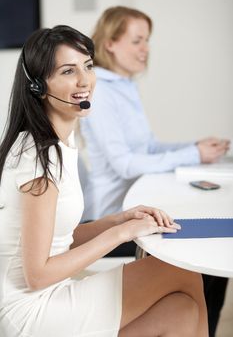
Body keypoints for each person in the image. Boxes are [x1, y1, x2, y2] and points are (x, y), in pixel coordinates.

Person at [0, 25, 208, 337]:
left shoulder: (58, 144)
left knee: (181, 313)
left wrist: (116, 221)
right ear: (38, 86)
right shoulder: (38, 158)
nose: (85, 81)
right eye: (69, 71)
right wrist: (122, 233)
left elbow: (58, 239)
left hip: (47, 296)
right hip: (31, 311)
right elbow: (37, 275)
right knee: (181, 272)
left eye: (88, 66)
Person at [79, 6, 229, 336]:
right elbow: (125, 163)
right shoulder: (100, 92)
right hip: (109, 217)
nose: (145, 49)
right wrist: (191, 153)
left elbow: (147, 148)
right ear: (110, 43)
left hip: (137, 206)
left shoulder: (124, 86)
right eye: (137, 40)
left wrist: (196, 147)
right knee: (203, 260)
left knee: (211, 261)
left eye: (147, 40)